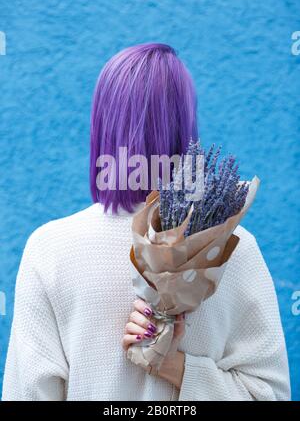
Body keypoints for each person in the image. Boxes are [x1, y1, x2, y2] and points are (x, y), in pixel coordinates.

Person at [2, 43, 290, 401]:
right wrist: (181, 371)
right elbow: (270, 394)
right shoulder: (231, 247)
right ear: (187, 123)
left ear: (101, 124)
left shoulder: (50, 249)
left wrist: (170, 363)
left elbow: (28, 393)